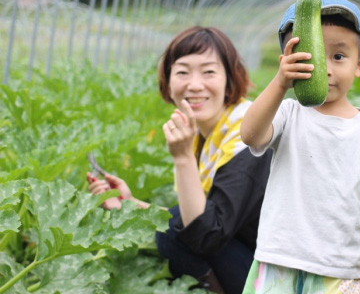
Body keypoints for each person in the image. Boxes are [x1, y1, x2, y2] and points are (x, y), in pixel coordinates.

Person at [87, 26, 272, 294]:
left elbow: (206, 235)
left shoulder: (248, 136)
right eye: (183, 72)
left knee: (173, 233)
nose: (194, 85)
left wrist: (183, 157)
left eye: (209, 72)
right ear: (168, 81)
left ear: (229, 80)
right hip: (250, 251)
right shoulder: (205, 134)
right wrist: (128, 205)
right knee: (174, 224)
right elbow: (198, 215)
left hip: (283, 274)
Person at [240, 0, 360, 294]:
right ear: (287, 62)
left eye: (339, 56)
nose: (326, 68)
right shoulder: (288, 113)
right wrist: (279, 84)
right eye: (312, 56)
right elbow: (250, 134)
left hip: (339, 268)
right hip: (279, 260)